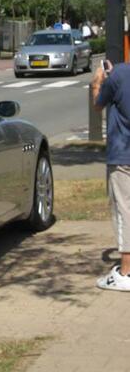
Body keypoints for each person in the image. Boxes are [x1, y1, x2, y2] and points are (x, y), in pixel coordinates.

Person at [92, 60, 130, 291]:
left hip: (123, 155)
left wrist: (98, 81)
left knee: (124, 211)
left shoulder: (120, 75)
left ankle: (126, 271)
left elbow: (98, 104)